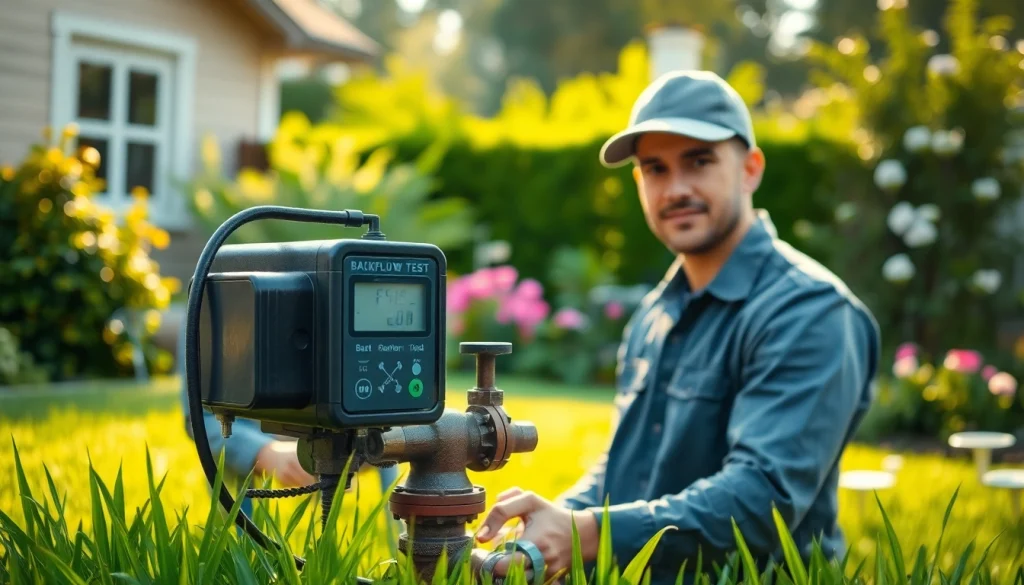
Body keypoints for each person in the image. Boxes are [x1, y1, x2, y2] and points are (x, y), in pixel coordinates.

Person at [471, 70, 881, 584]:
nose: (676, 188)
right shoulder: (654, 315)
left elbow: (762, 499)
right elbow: (623, 471)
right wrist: (546, 529)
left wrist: (585, 532)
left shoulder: (810, 314)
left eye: (699, 161)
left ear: (751, 169)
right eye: (655, 169)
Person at [176, 323, 400, 519]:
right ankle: (242, 548)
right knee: (225, 448)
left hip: (340, 420)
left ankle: (400, 549)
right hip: (255, 430)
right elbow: (200, 419)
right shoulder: (208, 300)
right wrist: (262, 451)